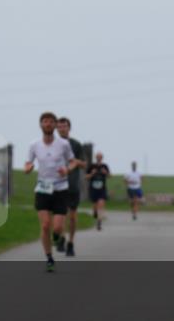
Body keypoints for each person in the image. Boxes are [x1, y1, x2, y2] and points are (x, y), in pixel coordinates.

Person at [24, 112, 82, 271]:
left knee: (56, 227)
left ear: (55, 125)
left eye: (51, 122)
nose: (48, 124)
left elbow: (73, 162)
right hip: (42, 188)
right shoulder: (34, 145)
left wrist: (67, 169)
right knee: (45, 226)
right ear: (40, 125)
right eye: (45, 121)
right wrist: (28, 168)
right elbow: (28, 163)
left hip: (60, 189)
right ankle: (49, 257)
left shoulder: (63, 144)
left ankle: (57, 237)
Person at [56, 117, 87, 256]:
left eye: (64, 126)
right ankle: (61, 237)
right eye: (60, 127)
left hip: (72, 185)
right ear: (57, 129)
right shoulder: (52, 144)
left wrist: (74, 161)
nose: (62, 129)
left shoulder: (76, 144)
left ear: (69, 128)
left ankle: (71, 242)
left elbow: (84, 164)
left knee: (72, 217)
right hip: (56, 184)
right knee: (59, 216)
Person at [86, 152, 111, 231]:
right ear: (95, 158)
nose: (99, 158)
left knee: (101, 205)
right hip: (93, 189)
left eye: (100, 157)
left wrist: (105, 173)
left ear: (102, 158)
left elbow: (110, 176)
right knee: (95, 207)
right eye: (98, 157)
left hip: (102, 189)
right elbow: (86, 177)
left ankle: (99, 223)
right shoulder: (91, 166)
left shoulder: (105, 166)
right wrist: (92, 174)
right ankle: (95, 213)